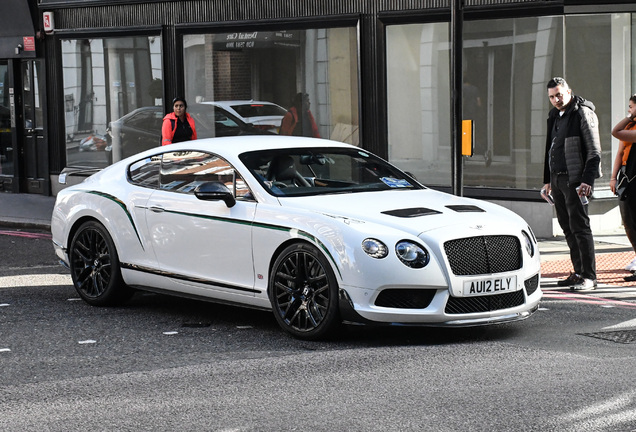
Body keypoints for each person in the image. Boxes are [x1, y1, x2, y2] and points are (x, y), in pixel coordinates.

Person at [542, 77, 602, 291]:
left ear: (569, 91)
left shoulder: (582, 113)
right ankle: (578, 272)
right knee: (567, 228)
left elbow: (594, 152)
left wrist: (587, 180)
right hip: (558, 180)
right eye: (551, 97)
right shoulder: (554, 115)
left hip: (575, 180)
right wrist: (547, 181)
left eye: (559, 94)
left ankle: (589, 276)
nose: (556, 99)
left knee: (580, 227)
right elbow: (550, 148)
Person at [610, 94, 636, 280]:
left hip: (635, 176)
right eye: (628, 107)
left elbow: (614, 131)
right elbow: (620, 152)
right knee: (627, 221)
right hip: (625, 175)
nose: (629, 110)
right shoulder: (629, 126)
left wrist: (631, 117)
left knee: (634, 219)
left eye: (631, 107)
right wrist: (613, 177)